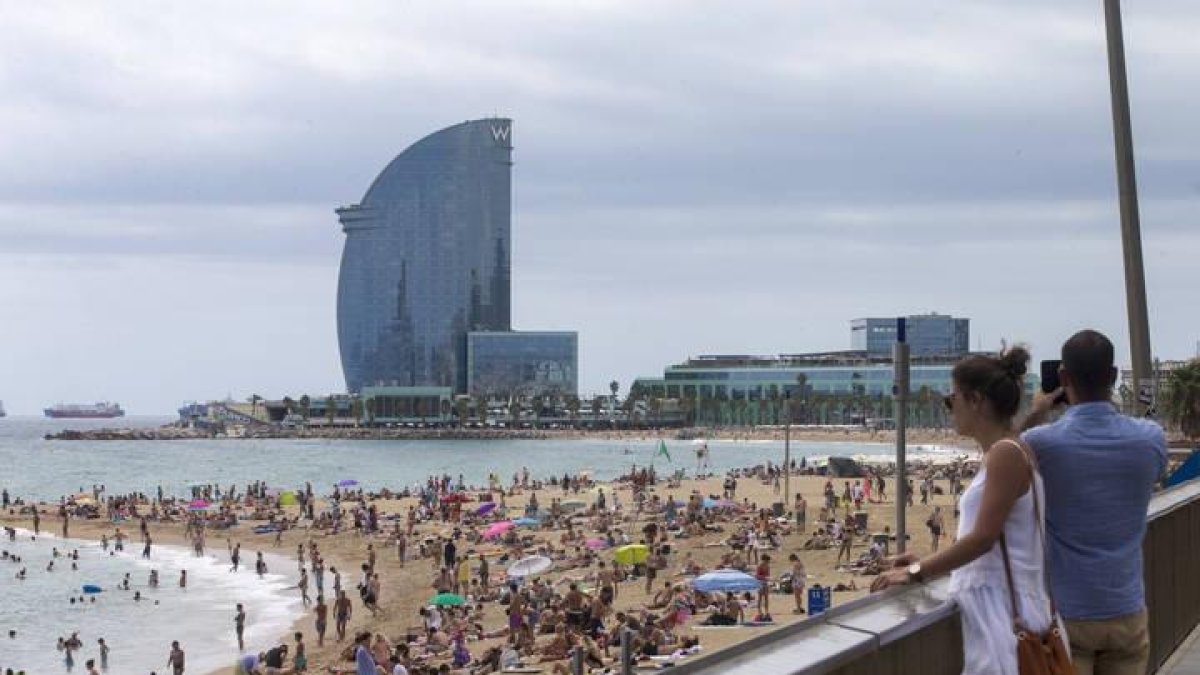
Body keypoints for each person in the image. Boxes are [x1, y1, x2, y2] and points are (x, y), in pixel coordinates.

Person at [871, 347, 1057, 675]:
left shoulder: (1005, 454)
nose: (949, 407)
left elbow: (984, 538)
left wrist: (917, 572)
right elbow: (994, 542)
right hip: (1005, 609)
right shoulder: (1011, 450)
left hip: (1001, 618)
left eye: (951, 398)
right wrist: (927, 562)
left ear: (976, 400)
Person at [1021, 330, 1167, 674]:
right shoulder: (1150, 439)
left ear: (1062, 377)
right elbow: (1157, 473)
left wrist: (1036, 413)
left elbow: (998, 466)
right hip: (1126, 608)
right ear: (1114, 376)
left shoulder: (1041, 443)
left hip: (1068, 613)